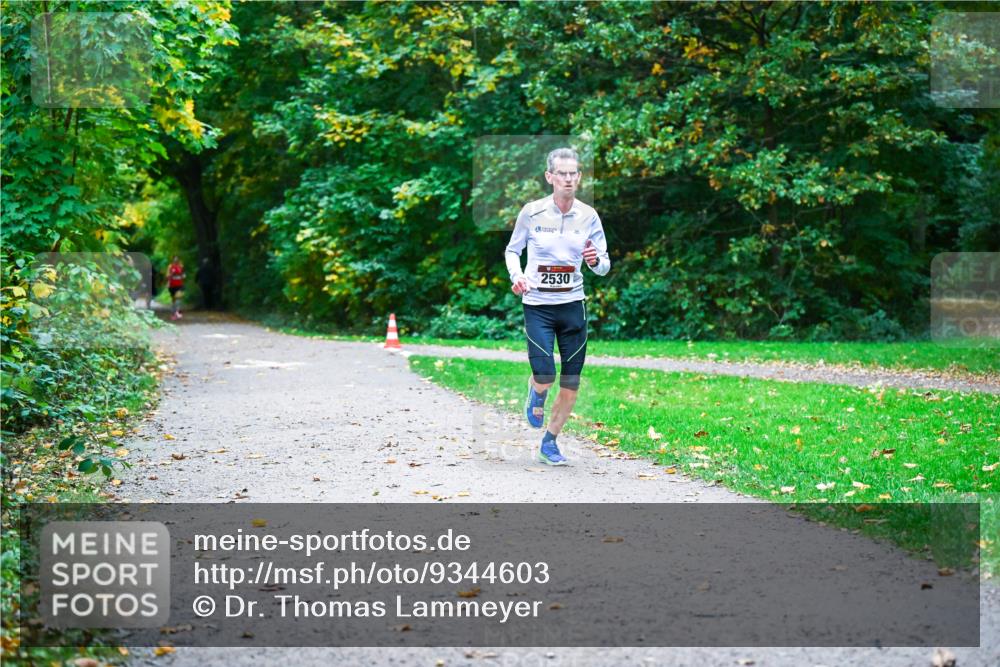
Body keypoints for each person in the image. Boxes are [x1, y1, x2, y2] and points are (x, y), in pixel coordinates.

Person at [504, 147, 611, 466]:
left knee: (571, 380)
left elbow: (604, 265)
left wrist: (595, 261)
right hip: (538, 305)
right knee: (545, 374)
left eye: (573, 173)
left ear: (579, 177)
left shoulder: (589, 216)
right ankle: (536, 390)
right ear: (549, 177)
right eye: (561, 173)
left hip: (573, 306)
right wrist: (518, 276)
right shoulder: (532, 212)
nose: (568, 178)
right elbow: (512, 250)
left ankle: (550, 442)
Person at [167, 256, 185, 320]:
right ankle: (173, 313)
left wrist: (182, 276)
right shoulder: (170, 266)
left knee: (178, 298)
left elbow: (183, 275)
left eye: (177, 260)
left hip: (179, 285)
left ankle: (178, 312)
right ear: (173, 260)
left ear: (178, 260)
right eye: (174, 260)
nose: (176, 261)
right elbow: (167, 276)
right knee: (173, 299)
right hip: (172, 285)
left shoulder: (181, 266)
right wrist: (172, 274)